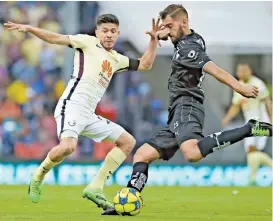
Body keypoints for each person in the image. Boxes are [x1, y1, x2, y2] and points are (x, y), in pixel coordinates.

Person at [102, 4, 272, 215]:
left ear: (183, 22)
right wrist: (160, 35)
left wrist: (241, 87)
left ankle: (249, 128)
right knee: (142, 155)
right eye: (165, 26)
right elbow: (177, 36)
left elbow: (213, 68)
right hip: (177, 111)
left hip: (187, 104)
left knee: (192, 153)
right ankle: (128, 202)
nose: (167, 30)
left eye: (170, 25)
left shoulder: (188, 48)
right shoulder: (190, 40)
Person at [4, 14, 163, 210]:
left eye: (113, 31)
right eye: (105, 31)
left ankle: (95, 187)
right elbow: (56, 38)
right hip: (71, 106)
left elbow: (145, 64)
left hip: (89, 114)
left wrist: (153, 40)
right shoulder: (87, 42)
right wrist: (30, 29)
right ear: (97, 33)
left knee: (127, 142)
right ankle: (39, 174)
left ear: (118, 34)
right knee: (68, 147)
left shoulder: (117, 59)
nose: (109, 35)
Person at [222, 63, 272, 185]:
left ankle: (253, 178)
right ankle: (253, 178)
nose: (243, 73)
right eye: (240, 71)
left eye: (245, 70)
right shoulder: (239, 85)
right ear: (237, 73)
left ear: (250, 71)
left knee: (251, 149)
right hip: (249, 122)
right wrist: (227, 118)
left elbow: (267, 101)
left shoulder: (258, 84)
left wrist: (271, 118)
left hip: (260, 121)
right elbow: (236, 105)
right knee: (252, 151)